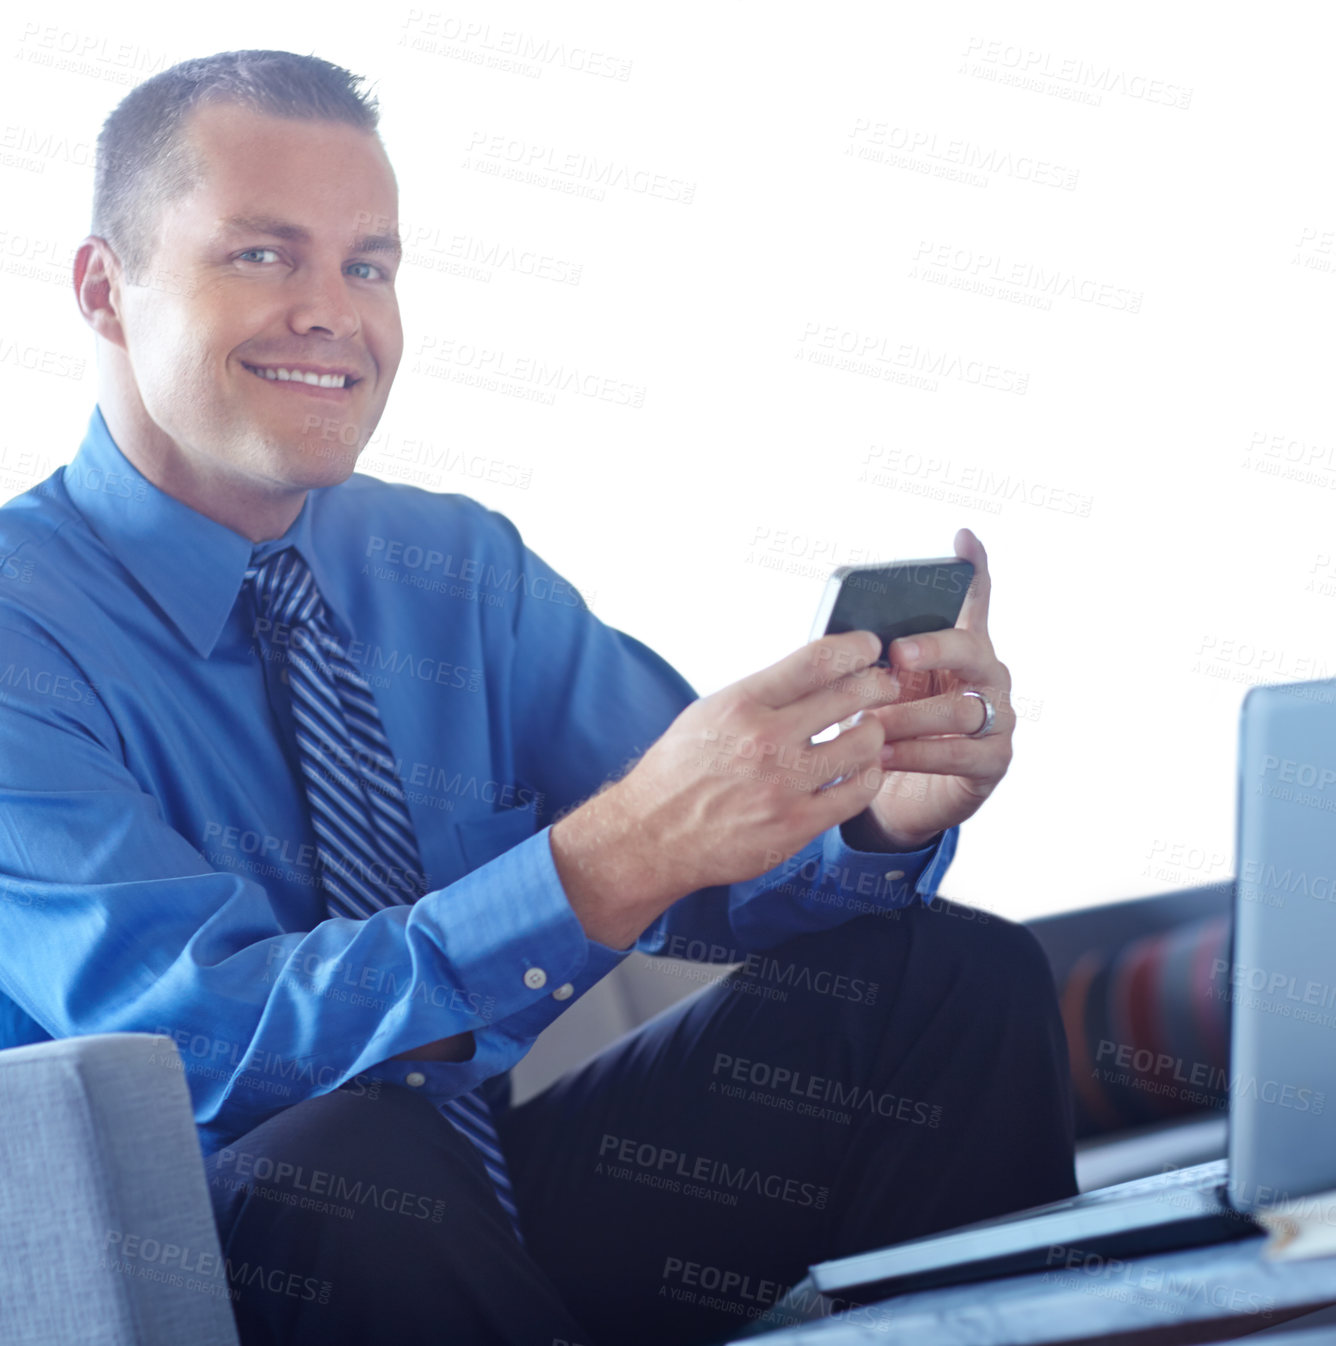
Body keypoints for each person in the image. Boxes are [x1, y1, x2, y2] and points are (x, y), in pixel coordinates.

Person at [0, 49, 1077, 1345]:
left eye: (369, 265)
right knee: (346, 1163)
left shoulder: (452, 568)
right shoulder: (23, 631)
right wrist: (602, 858)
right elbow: (187, 1045)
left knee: (954, 976)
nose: (332, 311)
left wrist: (867, 815)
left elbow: (703, 859)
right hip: (218, 1246)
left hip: (482, 1184)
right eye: (262, 255)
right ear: (103, 290)